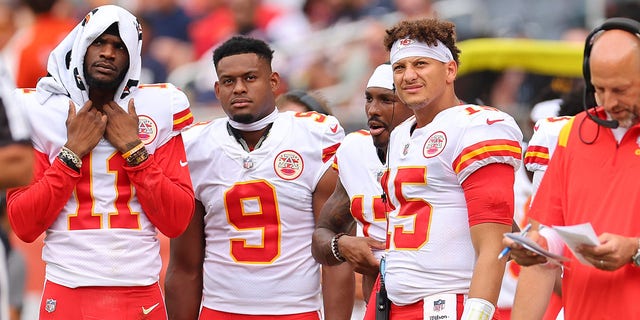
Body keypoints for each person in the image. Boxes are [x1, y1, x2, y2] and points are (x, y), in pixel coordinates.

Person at [6, 5, 195, 319]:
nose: (108, 53)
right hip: (67, 288)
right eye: (99, 42)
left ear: (132, 56)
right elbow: (23, 225)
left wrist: (134, 150)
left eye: (119, 47)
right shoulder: (43, 109)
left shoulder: (158, 107)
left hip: (139, 291)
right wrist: (71, 154)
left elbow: (176, 221)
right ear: (81, 45)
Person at [165, 35, 352, 320]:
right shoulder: (196, 145)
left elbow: (335, 254)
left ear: (274, 82)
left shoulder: (315, 136)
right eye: (228, 81)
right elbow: (184, 266)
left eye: (250, 77)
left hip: (296, 310)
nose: (239, 88)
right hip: (220, 310)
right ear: (217, 89)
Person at [379, 18, 523, 319]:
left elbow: (495, 240)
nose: (408, 75)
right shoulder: (401, 133)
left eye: (420, 63)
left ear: (450, 69)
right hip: (398, 303)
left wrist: (477, 313)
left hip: (451, 303)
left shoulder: (476, 125)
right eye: (399, 67)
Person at [503, 17, 640, 320]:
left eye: (621, 89)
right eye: (599, 89)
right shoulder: (573, 132)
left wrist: (635, 250)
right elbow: (551, 234)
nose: (609, 102)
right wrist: (538, 247)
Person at [311, 62, 413, 307]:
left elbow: (501, 234)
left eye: (387, 100)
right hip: (376, 307)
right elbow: (322, 235)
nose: (373, 110)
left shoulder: (440, 150)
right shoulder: (356, 150)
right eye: (369, 99)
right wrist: (342, 245)